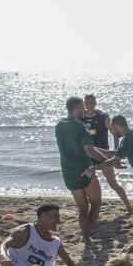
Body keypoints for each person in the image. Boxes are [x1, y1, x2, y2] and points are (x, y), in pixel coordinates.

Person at [55, 97, 124, 247]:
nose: (84, 110)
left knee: (82, 208)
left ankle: (86, 239)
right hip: (85, 171)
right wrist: (109, 162)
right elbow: (91, 152)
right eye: (82, 107)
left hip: (68, 172)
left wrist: (109, 154)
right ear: (75, 109)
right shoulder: (80, 126)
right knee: (96, 202)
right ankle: (87, 233)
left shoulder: (59, 125)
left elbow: (84, 148)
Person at [82, 93, 132, 214]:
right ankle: (87, 206)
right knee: (84, 181)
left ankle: (128, 206)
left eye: (91, 102)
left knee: (112, 182)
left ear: (95, 103)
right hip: (86, 153)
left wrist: (117, 151)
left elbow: (114, 133)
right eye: (87, 102)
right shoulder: (80, 116)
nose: (89, 104)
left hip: (102, 154)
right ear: (84, 103)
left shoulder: (103, 117)